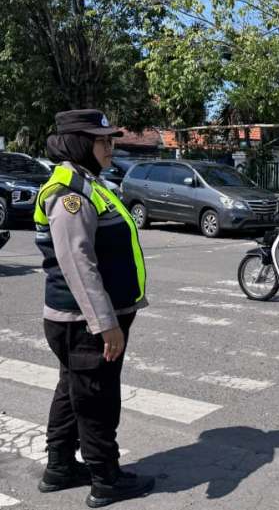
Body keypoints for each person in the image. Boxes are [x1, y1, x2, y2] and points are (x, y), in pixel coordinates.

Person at [33, 110, 155, 507]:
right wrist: (105, 324)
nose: (110, 147)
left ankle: (60, 467)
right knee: (97, 399)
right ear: (78, 143)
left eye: (110, 140)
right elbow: (78, 264)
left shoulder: (90, 183)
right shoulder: (69, 193)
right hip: (85, 322)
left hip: (83, 320)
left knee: (73, 389)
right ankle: (106, 479)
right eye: (101, 141)